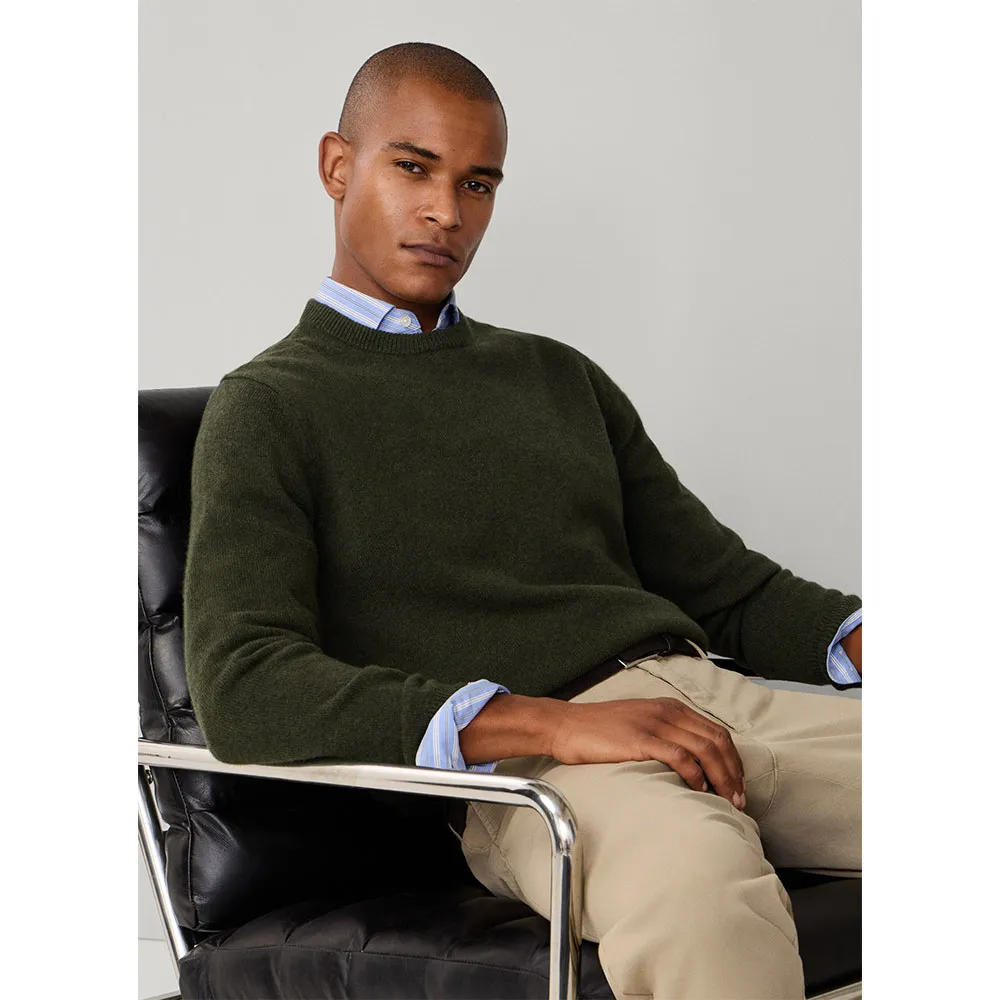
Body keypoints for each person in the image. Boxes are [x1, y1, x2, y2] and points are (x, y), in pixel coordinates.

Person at [183, 41, 861, 1000]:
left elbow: (729, 588)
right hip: (539, 769)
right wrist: (554, 723)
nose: (446, 212)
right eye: (412, 167)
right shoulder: (268, 407)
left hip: (710, 701)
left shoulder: (557, 376)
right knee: (697, 899)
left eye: (478, 183)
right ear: (338, 165)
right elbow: (244, 682)